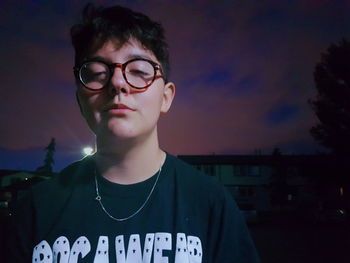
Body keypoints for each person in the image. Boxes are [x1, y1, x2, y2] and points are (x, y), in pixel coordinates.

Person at [8, 4, 260, 263]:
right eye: (96, 73)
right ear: (79, 100)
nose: (117, 83)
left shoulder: (210, 202)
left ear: (166, 97)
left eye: (139, 71)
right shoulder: (36, 209)